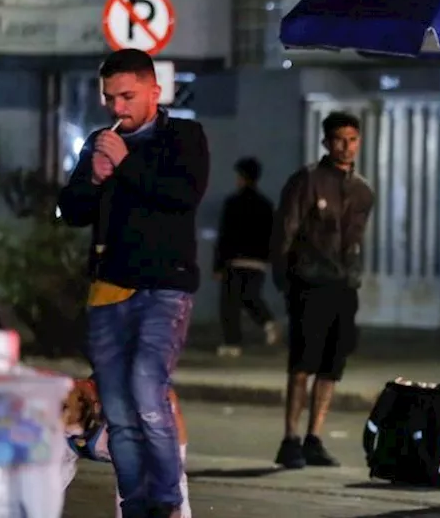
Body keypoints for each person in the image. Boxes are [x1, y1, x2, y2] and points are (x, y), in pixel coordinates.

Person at [58, 48, 210, 518]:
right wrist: (95, 180)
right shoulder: (100, 141)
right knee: (119, 410)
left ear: (153, 91)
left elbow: (183, 195)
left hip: (163, 285)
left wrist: (126, 165)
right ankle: (137, 502)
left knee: (147, 387)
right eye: (110, 97)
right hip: (109, 287)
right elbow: (71, 210)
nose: (117, 107)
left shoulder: (183, 136)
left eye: (127, 96)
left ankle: (166, 500)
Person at [270, 111, 375, 469]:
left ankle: (314, 437)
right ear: (326, 142)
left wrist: (354, 277)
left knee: (332, 367)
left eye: (352, 139)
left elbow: (356, 241)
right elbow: (285, 232)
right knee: (302, 365)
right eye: (340, 139)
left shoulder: (362, 190)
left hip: (344, 286)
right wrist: (285, 280)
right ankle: (290, 438)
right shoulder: (308, 181)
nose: (346, 147)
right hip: (309, 284)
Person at [213, 156, 279, 357]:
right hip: (257, 261)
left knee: (229, 303)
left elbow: (225, 236)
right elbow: (272, 234)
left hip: (235, 260)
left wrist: (218, 265)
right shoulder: (266, 205)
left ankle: (232, 343)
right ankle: (267, 322)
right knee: (251, 297)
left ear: (242, 177)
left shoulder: (233, 203)